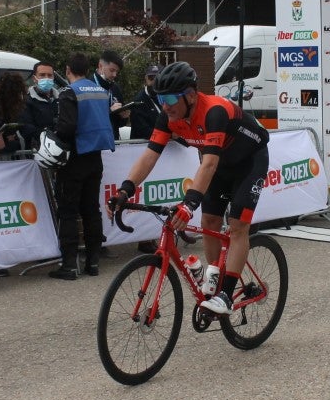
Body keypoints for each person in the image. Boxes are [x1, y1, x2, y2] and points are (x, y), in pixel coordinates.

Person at [108, 61, 270, 317]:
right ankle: (215, 280)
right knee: (210, 221)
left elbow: (209, 164)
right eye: (161, 98)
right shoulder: (168, 117)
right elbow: (150, 155)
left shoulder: (214, 111)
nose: (165, 105)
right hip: (220, 165)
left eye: (171, 98)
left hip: (249, 161)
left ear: (191, 95)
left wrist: (189, 204)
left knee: (238, 225)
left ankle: (226, 296)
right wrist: (125, 190)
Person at [49, 54, 116, 280]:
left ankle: (69, 265)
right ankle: (93, 262)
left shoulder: (69, 92)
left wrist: (53, 134)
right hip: (95, 158)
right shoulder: (100, 91)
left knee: (68, 211)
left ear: (68, 69)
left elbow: (66, 128)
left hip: (74, 158)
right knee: (91, 210)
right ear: (88, 70)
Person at [19, 61, 59, 147]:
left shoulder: (60, 98)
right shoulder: (26, 100)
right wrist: (50, 136)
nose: (46, 78)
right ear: (34, 78)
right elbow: (26, 129)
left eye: (49, 75)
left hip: (60, 147)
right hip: (37, 149)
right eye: (42, 75)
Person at [93, 50, 131, 138]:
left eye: (117, 72)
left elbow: (119, 125)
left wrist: (124, 117)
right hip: (95, 140)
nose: (114, 75)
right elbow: (87, 119)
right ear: (100, 66)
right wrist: (109, 111)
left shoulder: (115, 87)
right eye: (112, 70)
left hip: (113, 139)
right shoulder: (88, 85)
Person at [129, 64, 163, 139]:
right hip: (143, 143)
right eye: (151, 78)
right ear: (146, 78)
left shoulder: (166, 96)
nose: (154, 81)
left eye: (158, 78)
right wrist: (167, 135)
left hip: (165, 141)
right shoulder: (138, 101)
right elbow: (143, 131)